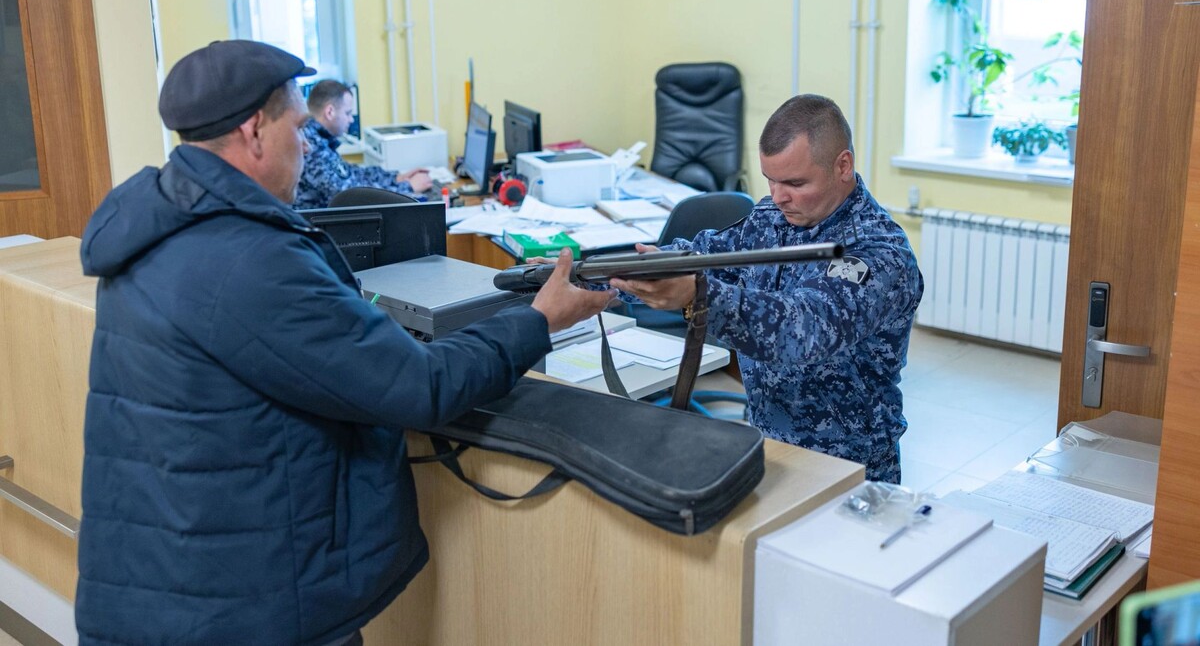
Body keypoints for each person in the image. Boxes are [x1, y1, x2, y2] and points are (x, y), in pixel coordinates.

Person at [75, 40, 614, 645]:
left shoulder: (155, 223)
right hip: (243, 612)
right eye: (300, 127)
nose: (307, 146)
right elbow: (419, 386)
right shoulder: (251, 258)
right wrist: (539, 319)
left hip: (153, 584)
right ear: (255, 131)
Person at [610, 94, 923, 483]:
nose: (777, 196)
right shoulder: (771, 219)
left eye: (794, 182)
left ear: (843, 165)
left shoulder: (878, 254)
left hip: (847, 469)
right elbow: (703, 254)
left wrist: (698, 296)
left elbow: (803, 329)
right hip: (767, 448)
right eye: (770, 180)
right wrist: (602, 279)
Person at [293, 79, 434, 209]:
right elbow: (348, 196)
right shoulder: (312, 146)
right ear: (330, 112)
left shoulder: (320, 139)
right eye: (348, 113)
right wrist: (407, 188)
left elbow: (352, 174)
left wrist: (394, 178)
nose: (351, 120)